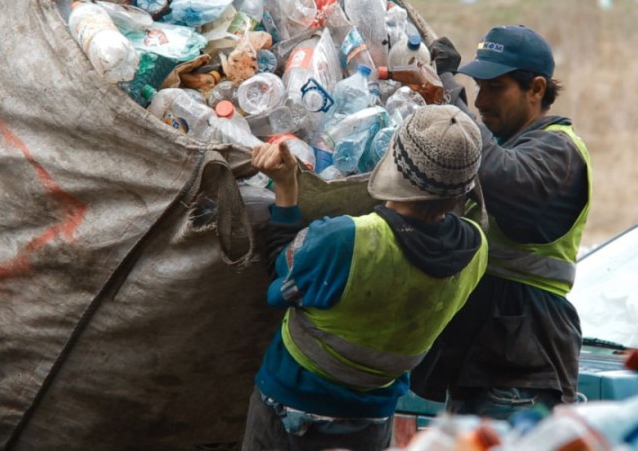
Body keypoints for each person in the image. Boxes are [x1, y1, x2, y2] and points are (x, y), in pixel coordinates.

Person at [241, 105, 489, 451]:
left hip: (293, 410)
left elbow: (279, 272)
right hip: (372, 421)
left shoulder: (345, 239)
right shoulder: (476, 248)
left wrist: (285, 186)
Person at [411, 25, 593, 420]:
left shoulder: (558, 150)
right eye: (477, 87)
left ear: (537, 89)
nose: (481, 101)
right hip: (484, 359)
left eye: (495, 88)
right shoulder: (508, 144)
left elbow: (497, 174)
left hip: (523, 365)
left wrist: (449, 99)